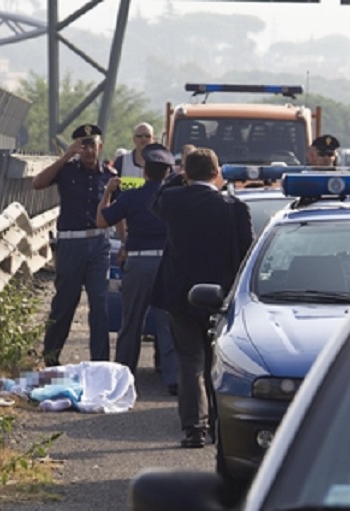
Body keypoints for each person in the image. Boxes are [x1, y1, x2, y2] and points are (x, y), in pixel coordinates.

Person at [150, 147, 254, 448]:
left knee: (189, 362)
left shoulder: (172, 201)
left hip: (181, 296)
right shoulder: (234, 208)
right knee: (218, 363)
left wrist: (176, 176)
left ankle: (194, 428)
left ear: (186, 173)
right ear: (216, 172)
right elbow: (246, 255)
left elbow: (155, 200)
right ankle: (220, 427)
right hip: (221, 298)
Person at [96, 143, 179, 395]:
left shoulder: (131, 197)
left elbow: (101, 220)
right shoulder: (174, 198)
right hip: (167, 263)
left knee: (132, 319)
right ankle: (172, 377)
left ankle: (124, 374)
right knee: (167, 321)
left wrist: (108, 193)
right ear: (167, 172)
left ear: (144, 171)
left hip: (139, 262)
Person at [32, 123, 115, 367]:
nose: (89, 151)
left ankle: (100, 362)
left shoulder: (109, 177)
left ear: (101, 147)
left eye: (93, 145)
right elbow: (38, 183)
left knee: (100, 305)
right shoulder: (66, 171)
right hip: (71, 245)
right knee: (65, 303)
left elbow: (118, 211)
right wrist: (65, 157)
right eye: (83, 146)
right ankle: (51, 357)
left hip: (99, 244)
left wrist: (125, 242)